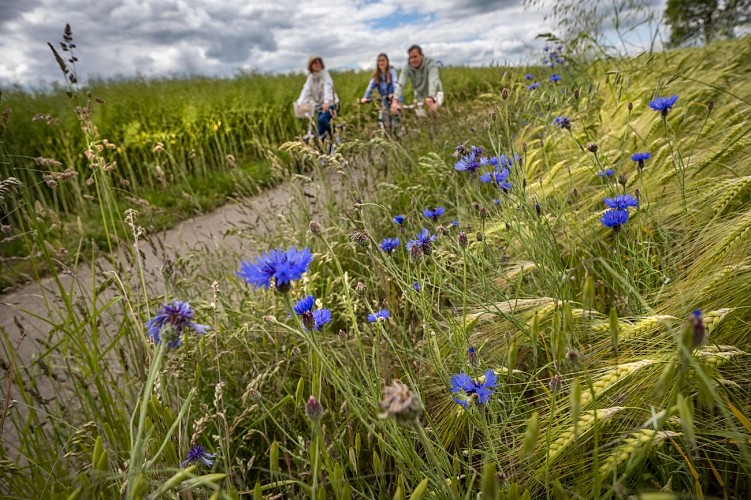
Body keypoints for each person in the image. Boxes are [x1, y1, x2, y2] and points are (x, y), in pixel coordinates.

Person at [391, 45, 443, 115]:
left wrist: (431, 96)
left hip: (435, 94)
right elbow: (401, 84)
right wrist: (395, 100)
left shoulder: (430, 63)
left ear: (421, 55)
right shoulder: (407, 67)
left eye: (415, 57)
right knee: (421, 119)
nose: (412, 60)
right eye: (410, 58)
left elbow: (433, 79)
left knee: (433, 112)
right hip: (419, 96)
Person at [297, 55, 340, 139]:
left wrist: (327, 102)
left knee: (322, 119)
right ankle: (324, 149)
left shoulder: (325, 75)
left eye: (319, 62)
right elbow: (306, 90)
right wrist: (300, 103)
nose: (318, 64)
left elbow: (327, 87)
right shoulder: (311, 78)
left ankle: (335, 134)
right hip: (320, 106)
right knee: (319, 132)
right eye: (315, 62)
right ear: (311, 66)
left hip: (332, 104)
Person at [360, 53, 400, 130]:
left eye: (383, 60)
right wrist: (365, 97)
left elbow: (395, 83)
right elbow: (370, 87)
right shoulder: (376, 75)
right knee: (385, 120)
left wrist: (394, 94)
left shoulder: (392, 71)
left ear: (387, 62)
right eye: (379, 61)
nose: (381, 63)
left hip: (394, 98)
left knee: (396, 119)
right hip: (384, 99)